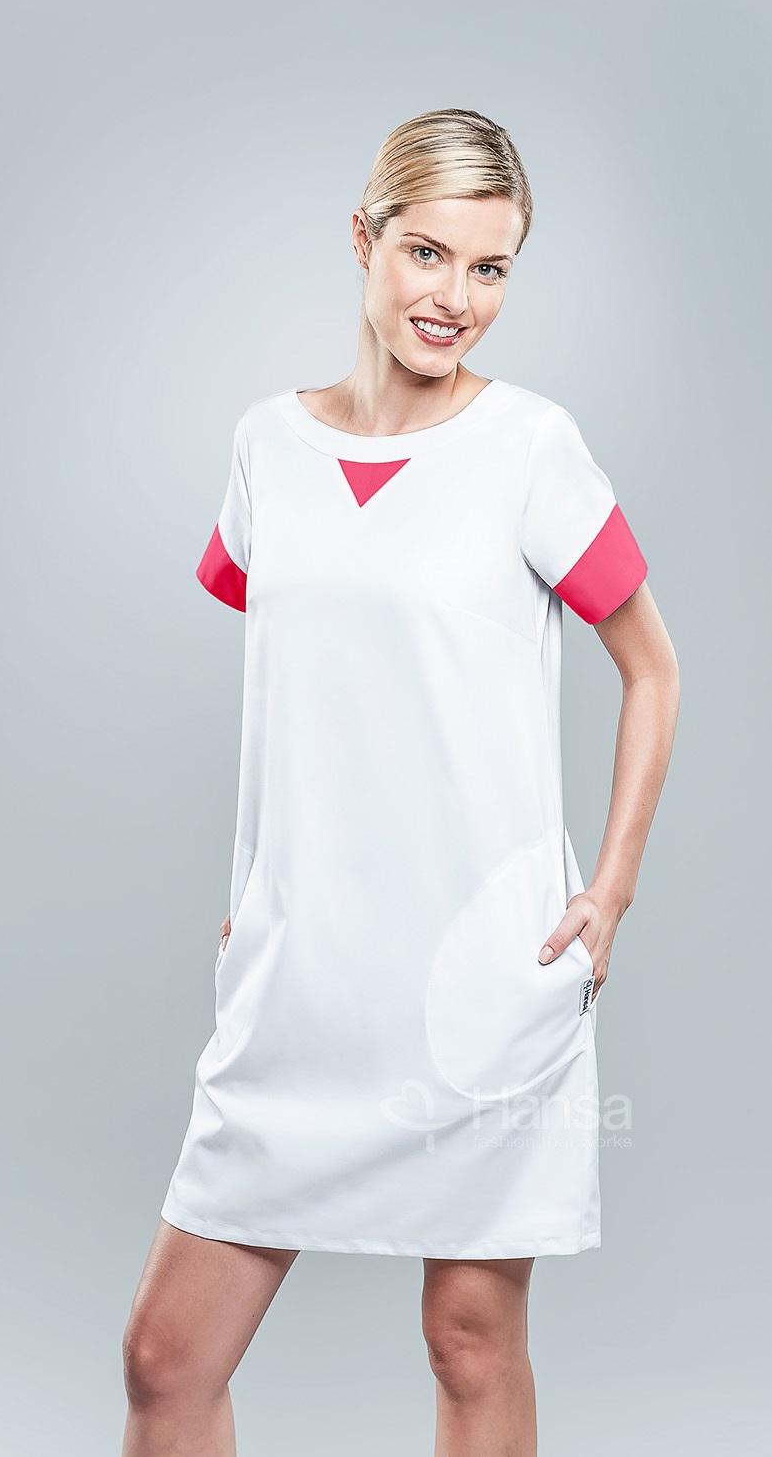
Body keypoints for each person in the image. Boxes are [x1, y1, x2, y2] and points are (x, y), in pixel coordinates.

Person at [121, 107, 680, 1457]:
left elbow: (654, 671)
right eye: (428, 254)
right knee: (163, 1361)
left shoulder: (531, 446)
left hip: (476, 983)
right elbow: (297, 694)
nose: (456, 298)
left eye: (491, 269)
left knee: (470, 1344)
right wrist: (255, 883)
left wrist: (607, 893)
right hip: (299, 982)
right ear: (364, 238)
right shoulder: (267, 447)